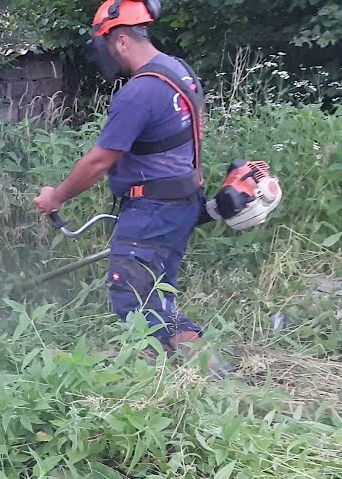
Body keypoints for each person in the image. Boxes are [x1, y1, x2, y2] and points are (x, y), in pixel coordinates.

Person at [33, 0, 211, 359]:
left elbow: (100, 161)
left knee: (135, 294)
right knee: (155, 293)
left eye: (108, 46)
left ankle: (211, 375)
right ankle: (160, 374)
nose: (108, 55)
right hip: (180, 201)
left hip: (154, 208)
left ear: (122, 41)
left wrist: (57, 197)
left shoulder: (140, 91)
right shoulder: (178, 71)